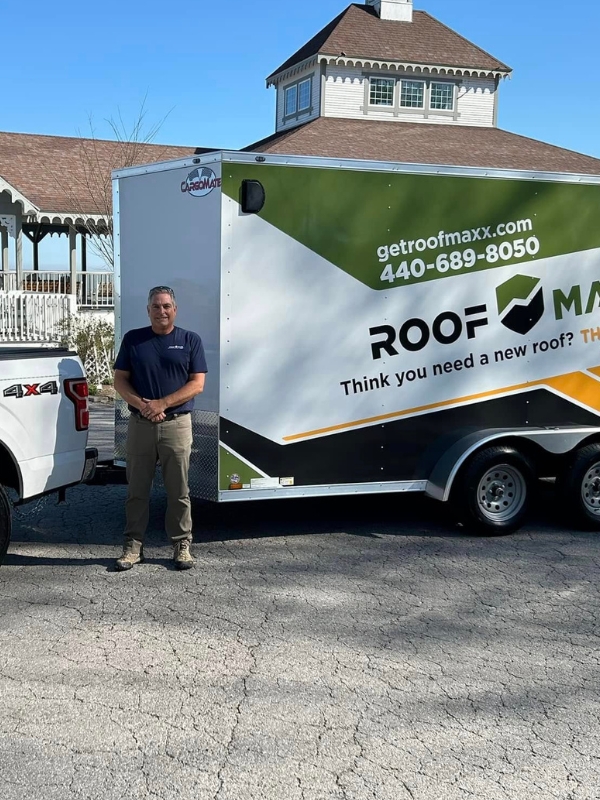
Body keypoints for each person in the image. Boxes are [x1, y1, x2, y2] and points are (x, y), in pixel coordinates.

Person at [113, 286, 207, 571]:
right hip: (141, 424)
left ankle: (181, 545)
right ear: (148, 310)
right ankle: (133, 546)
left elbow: (197, 384)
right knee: (137, 490)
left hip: (177, 425)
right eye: (156, 306)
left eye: (166, 306)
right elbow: (119, 381)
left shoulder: (190, 340)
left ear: (175, 310)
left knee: (179, 490)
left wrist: (162, 403)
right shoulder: (134, 340)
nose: (161, 311)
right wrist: (144, 406)